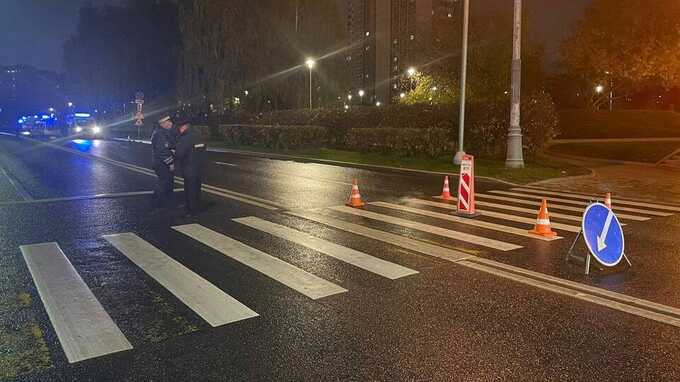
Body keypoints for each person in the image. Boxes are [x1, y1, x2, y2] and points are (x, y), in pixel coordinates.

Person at [174, 119, 205, 217]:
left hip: (189, 167)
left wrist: (174, 151)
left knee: (189, 189)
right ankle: (197, 206)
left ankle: (191, 210)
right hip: (199, 166)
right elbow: (203, 149)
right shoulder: (199, 135)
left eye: (180, 128)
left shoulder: (185, 138)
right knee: (196, 188)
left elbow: (179, 154)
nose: (179, 130)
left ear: (185, 127)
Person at [150, 115, 176, 211]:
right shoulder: (160, 134)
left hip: (161, 163)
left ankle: (167, 204)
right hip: (161, 164)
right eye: (168, 122)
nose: (171, 124)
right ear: (162, 124)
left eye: (171, 122)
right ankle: (156, 204)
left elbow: (169, 146)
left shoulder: (163, 133)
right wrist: (170, 163)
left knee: (168, 183)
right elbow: (162, 151)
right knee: (164, 184)